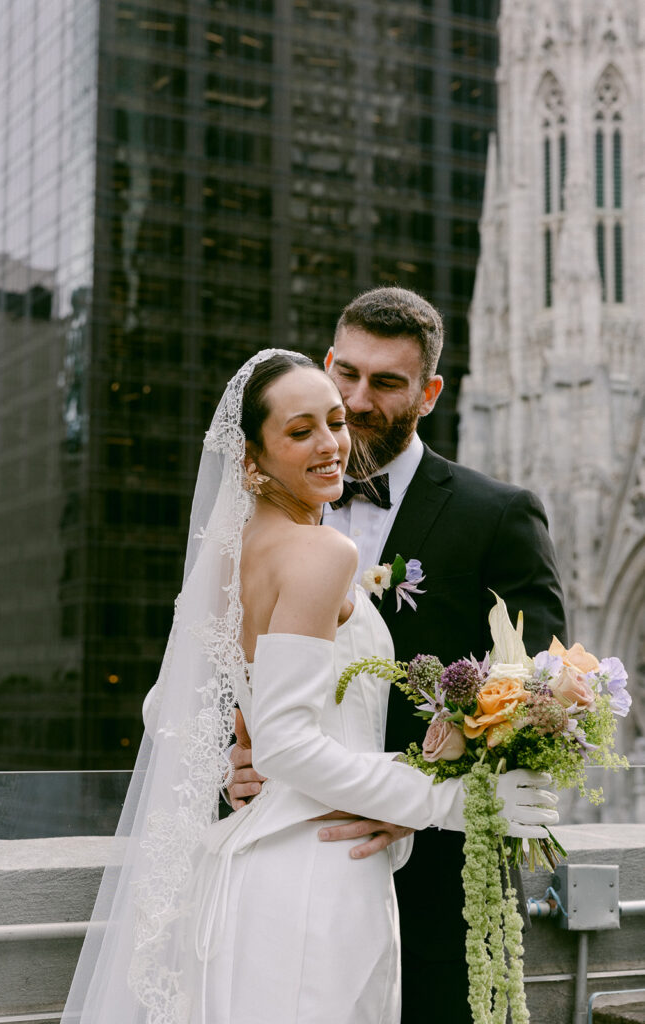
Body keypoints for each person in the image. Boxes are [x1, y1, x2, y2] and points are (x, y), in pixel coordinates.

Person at [61, 348, 558, 1024]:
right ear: (251, 460)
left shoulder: (235, 553)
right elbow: (289, 747)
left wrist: (232, 760)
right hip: (319, 880)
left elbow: (166, 706)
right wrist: (458, 801)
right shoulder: (323, 551)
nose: (331, 445)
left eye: (334, 422)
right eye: (300, 432)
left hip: (254, 869)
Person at [229, 290, 568, 1024]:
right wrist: (233, 742)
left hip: (444, 887)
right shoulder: (267, 521)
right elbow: (213, 670)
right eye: (344, 374)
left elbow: (540, 695)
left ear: (430, 393)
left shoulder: (498, 515)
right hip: (299, 863)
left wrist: (423, 805)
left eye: (385, 383)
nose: (356, 402)